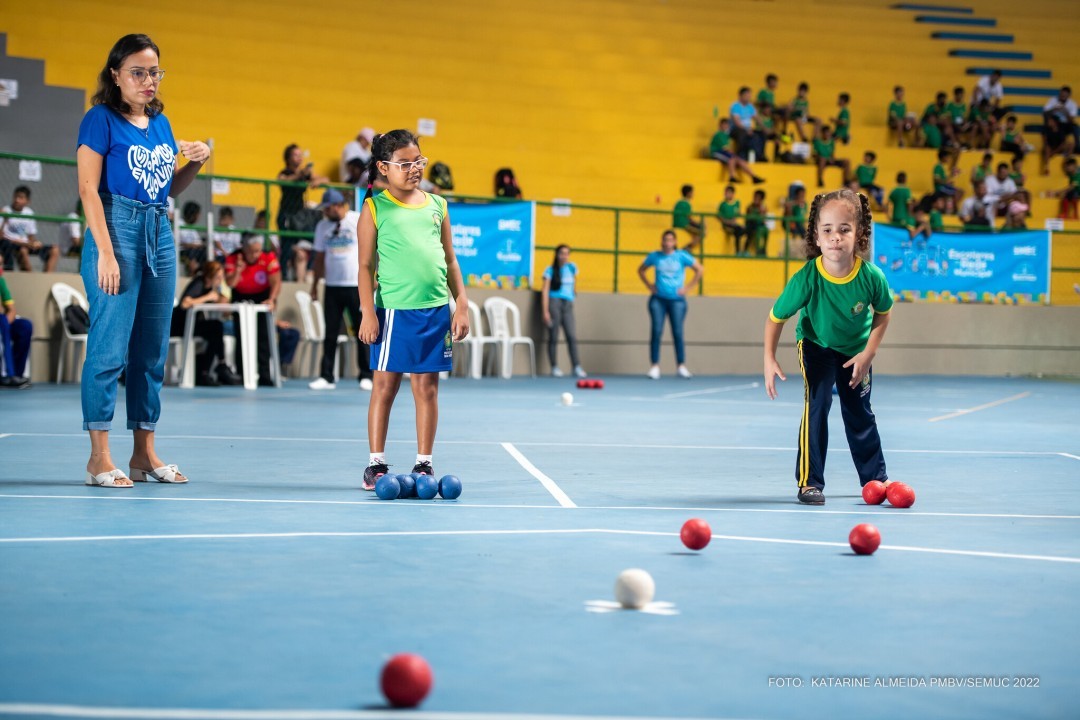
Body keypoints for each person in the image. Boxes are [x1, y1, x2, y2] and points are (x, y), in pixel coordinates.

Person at [77, 33, 210, 487]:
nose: (148, 80)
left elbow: (168, 189)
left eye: (154, 72)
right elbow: (87, 190)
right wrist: (107, 253)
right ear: (115, 75)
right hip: (116, 227)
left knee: (151, 351)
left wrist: (195, 162)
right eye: (137, 71)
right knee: (109, 348)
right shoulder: (100, 119)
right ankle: (99, 456)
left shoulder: (161, 124)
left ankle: (143, 453)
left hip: (159, 229)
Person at [763, 187, 894, 505]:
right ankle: (810, 482)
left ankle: (875, 479)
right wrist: (769, 358)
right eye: (828, 230)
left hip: (856, 351)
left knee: (859, 411)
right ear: (817, 238)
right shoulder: (807, 278)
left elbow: (883, 314)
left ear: (859, 234)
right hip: (815, 345)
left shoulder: (872, 277)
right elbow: (775, 317)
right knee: (818, 403)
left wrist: (867, 354)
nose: (836, 237)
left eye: (845, 229)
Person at [357, 129, 470, 490]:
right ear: (383, 167)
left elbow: (450, 260)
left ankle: (424, 463)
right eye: (404, 163)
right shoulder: (375, 207)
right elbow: (363, 266)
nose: (413, 169)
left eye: (417, 161)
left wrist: (461, 303)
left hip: (435, 311)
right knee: (385, 386)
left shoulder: (438, 205)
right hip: (392, 311)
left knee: (428, 389)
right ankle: (376, 464)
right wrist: (367, 312)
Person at [309, 188, 372, 391]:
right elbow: (319, 258)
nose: (325, 212)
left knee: (361, 331)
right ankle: (327, 376)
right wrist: (314, 285)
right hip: (332, 286)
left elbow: (372, 247)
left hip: (355, 285)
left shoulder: (356, 220)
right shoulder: (322, 227)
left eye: (327, 208)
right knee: (330, 332)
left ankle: (366, 374)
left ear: (337, 205)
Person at [637, 229, 702, 380]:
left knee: (678, 332)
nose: (667, 243)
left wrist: (688, 288)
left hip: (677, 301)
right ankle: (654, 366)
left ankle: (681, 366)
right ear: (662, 242)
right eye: (665, 240)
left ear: (675, 242)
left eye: (670, 240)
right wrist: (649, 286)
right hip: (658, 299)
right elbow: (641, 270)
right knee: (656, 331)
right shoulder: (655, 256)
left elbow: (699, 270)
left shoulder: (682, 256)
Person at [170, 260, 241, 386]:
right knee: (215, 328)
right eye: (218, 277)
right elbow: (185, 303)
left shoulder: (211, 288)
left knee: (216, 330)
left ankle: (211, 369)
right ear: (210, 276)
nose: (220, 280)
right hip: (180, 326)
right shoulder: (198, 283)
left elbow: (224, 309)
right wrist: (207, 298)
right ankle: (214, 367)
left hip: (192, 325)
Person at [226, 233, 281, 386]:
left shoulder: (268, 258)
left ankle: (264, 374)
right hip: (240, 297)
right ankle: (242, 374)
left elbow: (276, 281)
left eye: (257, 251)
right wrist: (238, 270)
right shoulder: (234, 258)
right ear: (244, 248)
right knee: (241, 335)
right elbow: (231, 284)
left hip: (262, 296)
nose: (254, 254)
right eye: (251, 251)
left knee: (263, 336)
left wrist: (272, 299)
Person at [277, 143, 327, 281]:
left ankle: (310, 271)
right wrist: (300, 175)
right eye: (295, 155)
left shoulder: (305, 174)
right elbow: (283, 180)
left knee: (315, 240)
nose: (299, 158)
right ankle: (284, 277)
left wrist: (316, 180)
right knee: (286, 247)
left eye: (300, 155)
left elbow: (325, 179)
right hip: (287, 216)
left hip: (300, 217)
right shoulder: (285, 173)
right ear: (288, 158)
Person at [541, 244, 586, 379]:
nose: (564, 256)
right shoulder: (549, 270)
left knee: (571, 335)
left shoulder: (572, 268)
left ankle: (576, 366)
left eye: (567, 253)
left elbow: (574, 283)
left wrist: (573, 292)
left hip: (568, 304)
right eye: (562, 253)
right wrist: (545, 311)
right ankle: (554, 366)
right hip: (554, 302)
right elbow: (545, 291)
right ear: (556, 254)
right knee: (553, 336)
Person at [1, 185, 58, 272]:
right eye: (15, 197)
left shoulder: (29, 213)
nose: (17, 200)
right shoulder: (5, 211)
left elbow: (31, 237)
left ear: (27, 201)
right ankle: (30, 278)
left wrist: (35, 243)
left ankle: (47, 279)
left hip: (26, 244)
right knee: (23, 251)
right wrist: (4, 220)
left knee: (55, 250)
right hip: (12, 245)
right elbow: (2, 237)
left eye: (20, 198)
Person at [0, 270, 32, 388]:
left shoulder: (1, 281)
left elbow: (11, 310)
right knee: (2, 321)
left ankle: (17, 374)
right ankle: (7, 375)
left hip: (2, 322)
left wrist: (6, 325)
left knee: (25, 326)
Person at [709, 118, 764, 183]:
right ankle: (732, 177)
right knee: (732, 159)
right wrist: (733, 154)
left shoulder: (726, 135)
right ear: (720, 125)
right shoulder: (718, 134)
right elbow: (725, 148)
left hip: (724, 152)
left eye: (726, 125)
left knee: (740, 160)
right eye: (724, 124)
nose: (725, 126)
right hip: (716, 152)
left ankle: (753, 176)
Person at [729, 87, 764, 161]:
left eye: (749, 96)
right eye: (746, 95)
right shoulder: (735, 106)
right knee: (742, 134)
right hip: (736, 129)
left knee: (760, 134)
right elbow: (737, 122)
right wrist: (747, 129)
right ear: (740, 96)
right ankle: (740, 155)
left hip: (748, 129)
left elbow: (757, 118)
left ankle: (759, 156)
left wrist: (764, 128)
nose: (748, 97)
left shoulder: (750, 106)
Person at [177, 200, 205, 276]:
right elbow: (175, 241)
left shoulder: (192, 227)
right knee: (191, 252)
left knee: (205, 252)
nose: (199, 217)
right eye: (197, 214)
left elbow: (198, 242)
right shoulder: (179, 223)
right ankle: (192, 275)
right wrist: (191, 245)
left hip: (193, 250)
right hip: (182, 251)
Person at [717, 185, 746, 254]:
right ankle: (738, 251)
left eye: (728, 193)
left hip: (735, 224)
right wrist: (729, 222)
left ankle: (744, 250)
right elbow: (720, 217)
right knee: (738, 230)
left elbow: (738, 214)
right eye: (725, 193)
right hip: (727, 225)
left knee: (745, 230)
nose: (726, 194)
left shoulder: (737, 203)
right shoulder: (722, 204)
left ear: (733, 194)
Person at [745, 188, 770, 256]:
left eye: (758, 198)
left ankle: (763, 249)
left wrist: (762, 213)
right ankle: (758, 250)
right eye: (755, 197)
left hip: (760, 225)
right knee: (758, 231)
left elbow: (764, 219)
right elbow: (749, 218)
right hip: (752, 225)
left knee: (766, 230)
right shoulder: (750, 207)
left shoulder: (763, 207)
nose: (755, 199)